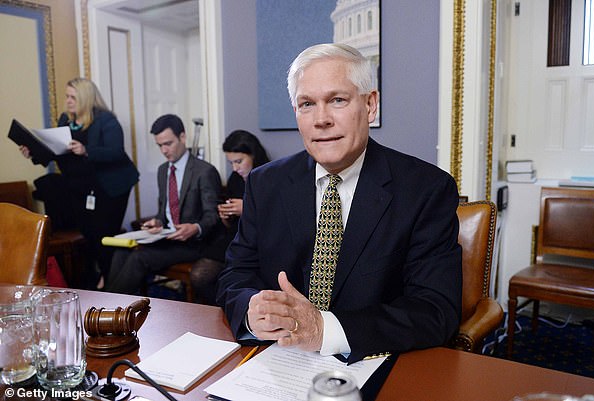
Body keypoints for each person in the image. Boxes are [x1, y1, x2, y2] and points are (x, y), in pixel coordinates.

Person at [216, 43, 462, 363]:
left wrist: (323, 329)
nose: (321, 119)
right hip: (276, 362)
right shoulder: (265, 183)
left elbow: (434, 309)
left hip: (374, 363)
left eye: (337, 100)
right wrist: (252, 310)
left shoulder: (426, 189)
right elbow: (234, 276)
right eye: (307, 103)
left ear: (370, 105)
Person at [19, 77, 139, 288]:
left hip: (112, 187)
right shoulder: (66, 119)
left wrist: (86, 150)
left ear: (85, 98)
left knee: (104, 233)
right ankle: (103, 277)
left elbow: (116, 152)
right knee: (89, 232)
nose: (68, 101)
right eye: (67, 96)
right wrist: (34, 153)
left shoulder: (106, 120)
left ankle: (110, 282)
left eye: (73, 97)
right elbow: (57, 151)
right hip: (85, 187)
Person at [106, 114, 222, 294]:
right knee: (121, 251)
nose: (164, 150)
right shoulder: (163, 171)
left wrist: (195, 227)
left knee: (139, 258)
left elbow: (213, 216)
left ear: (182, 137)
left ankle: (108, 309)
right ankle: (108, 308)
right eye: (160, 145)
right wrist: (157, 222)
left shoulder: (204, 171)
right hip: (167, 237)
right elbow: (163, 212)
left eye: (168, 144)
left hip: (194, 243)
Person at [190, 129, 270, 304]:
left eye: (239, 161)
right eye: (231, 163)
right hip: (234, 237)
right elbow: (229, 226)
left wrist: (246, 209)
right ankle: (226, 310)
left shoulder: (270, 177)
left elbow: (276, 220)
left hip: (263, 242)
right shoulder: (235, 179)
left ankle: (237, 310)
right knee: (200, 274)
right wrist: (226, 215)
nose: (235, 168)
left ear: (253, 156)